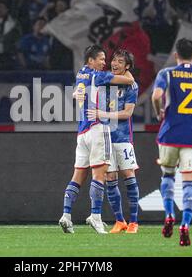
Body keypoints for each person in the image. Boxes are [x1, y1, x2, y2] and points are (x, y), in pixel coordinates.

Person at [58, 45, 135, 234]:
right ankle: (96, 217)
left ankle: (66, 216)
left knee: (78, 175)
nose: (105, 62)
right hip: (98, 129)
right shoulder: (98, 75)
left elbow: (77, 93)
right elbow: (128, 80)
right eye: (101, 59)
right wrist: (127, 70)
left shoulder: (81, 74)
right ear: (91, 60)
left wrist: (77, 93)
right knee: (99, 175)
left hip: (82, 131)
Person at [151, 38, 192, 246]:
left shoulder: (166, 73)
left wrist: (159, 111)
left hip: (169, 134)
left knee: (168, 176)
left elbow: (156, 95)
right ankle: (185, 224)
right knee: (189, 182)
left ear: (176, 54)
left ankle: (169, 214)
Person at [87, 49, 140, 234]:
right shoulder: (105, 79)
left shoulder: (132, 87)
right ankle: (120, 221)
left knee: (128, 175)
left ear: (127, 66)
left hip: (123, 138)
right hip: (105, 138)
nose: (114, 64)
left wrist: (103, 114)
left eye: (119, 61)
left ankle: (134, 222)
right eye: (113, 60)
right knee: (110, 178)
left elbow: (127, 113)